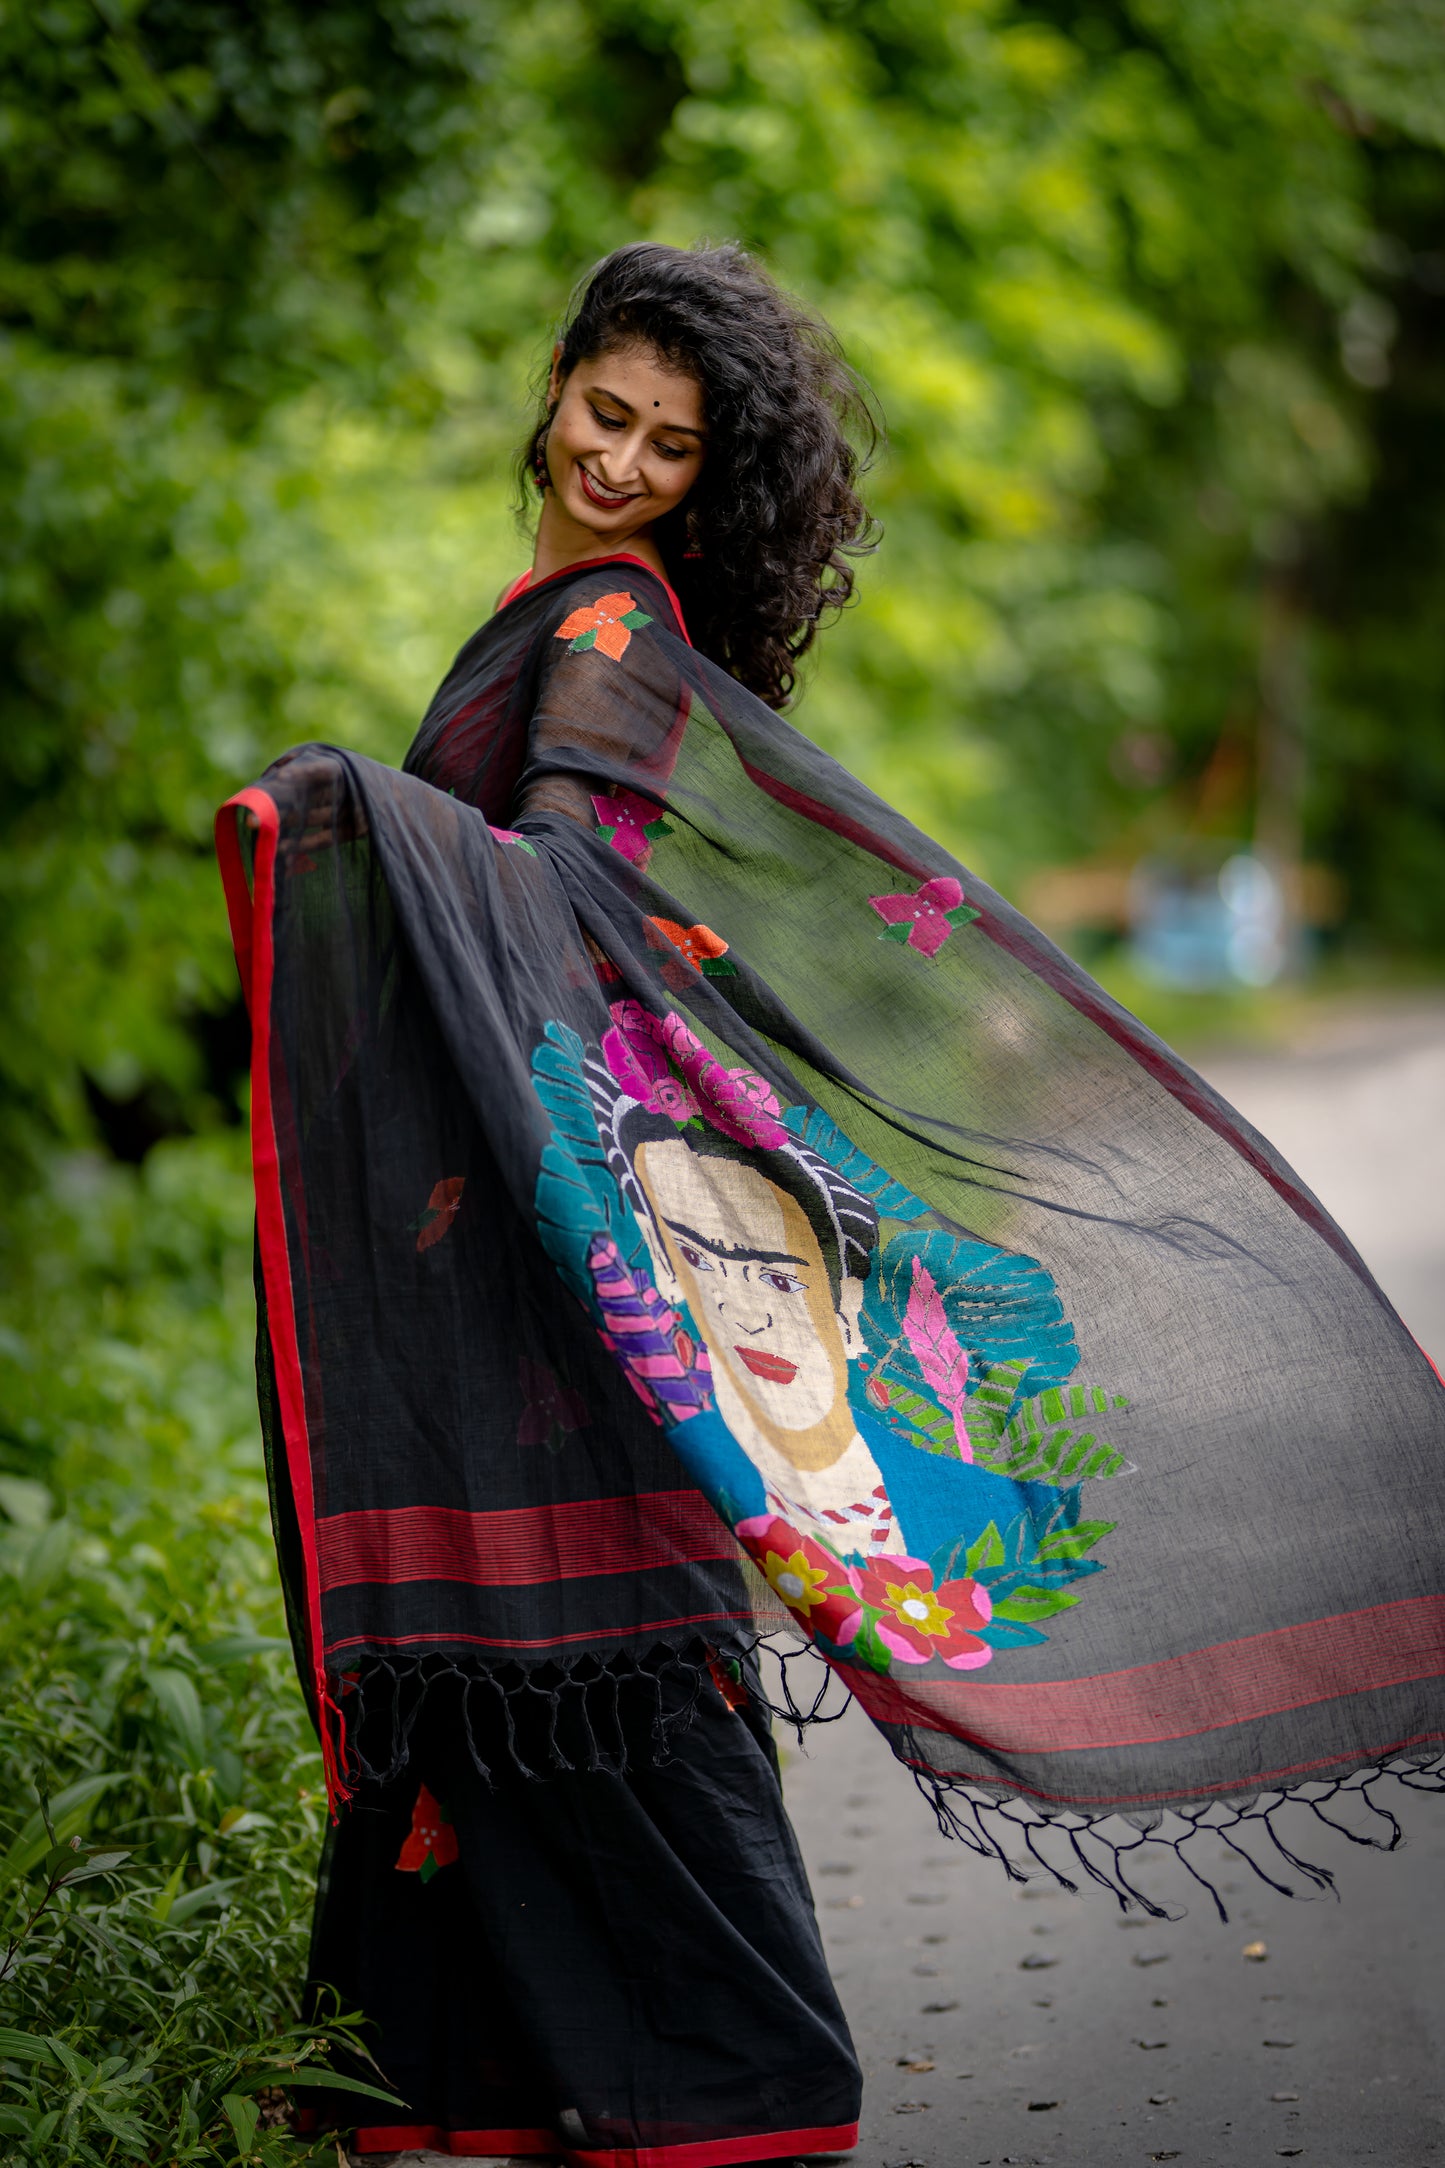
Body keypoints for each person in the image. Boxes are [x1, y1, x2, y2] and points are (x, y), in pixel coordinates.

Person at [217, 242, 1445, 2167]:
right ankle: (483, 2110)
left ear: (708, 480)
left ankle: (736, 2095)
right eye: (600, 412)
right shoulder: (548, 609)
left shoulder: (608, 633)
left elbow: (560, 901)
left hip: (567, 1251)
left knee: (616, 1667)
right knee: (519, 1691)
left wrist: (351, 808)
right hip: (520, 1253)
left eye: (667, 444)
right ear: (550, 389)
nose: (616, 459)